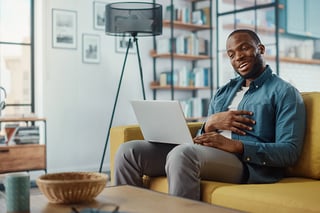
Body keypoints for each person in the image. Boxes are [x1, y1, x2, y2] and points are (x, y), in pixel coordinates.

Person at [114, 29, 306, 200]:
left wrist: (236, 146)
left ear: (261, 49)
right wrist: (209, 124)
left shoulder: (284, 92)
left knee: (183, 154)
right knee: (128, 152)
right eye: (231, 54)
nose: (237, 57)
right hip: (209, 154)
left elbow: (289, 152)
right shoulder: (224, 91)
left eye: (244, 48)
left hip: (247, 165)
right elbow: (202, 140)